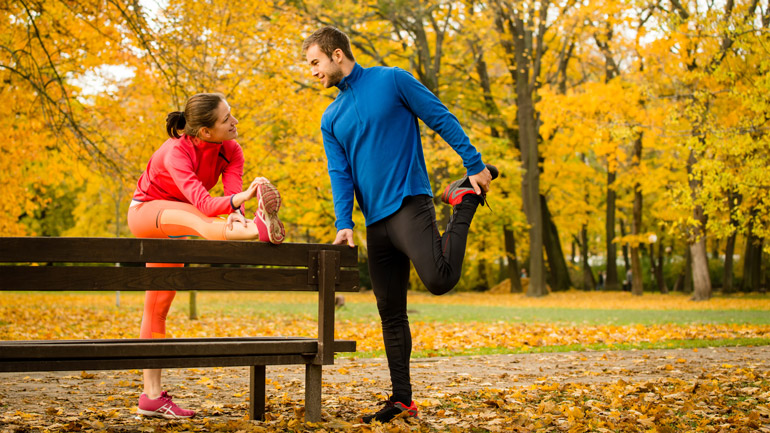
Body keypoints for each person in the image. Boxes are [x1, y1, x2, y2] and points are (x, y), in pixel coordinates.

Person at [303, 26, 497, 424]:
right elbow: (339, 172)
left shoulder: (392, 80)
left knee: (440, 280)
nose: (313, 71)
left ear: (337, 54)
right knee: (390, 312)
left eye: (315, 62)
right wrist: (344, 222)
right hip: (376, 223)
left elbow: (439, 116)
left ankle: (464, 201)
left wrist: (474, 165)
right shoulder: (331, 118)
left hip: (409, 203)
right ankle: (402, 398)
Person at [127, 92, 285, 419]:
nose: (235, 121)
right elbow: (204, 204)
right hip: (146, 213)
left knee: (158, 304)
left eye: (232, 115)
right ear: (204, 132)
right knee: (200, 220)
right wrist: (239, 204)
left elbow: (229, 200)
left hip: (174, 224)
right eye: (227, 119)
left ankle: (151, 398)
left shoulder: (231, 150)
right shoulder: (176, 153)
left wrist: (238, 210)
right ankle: (261, 228)